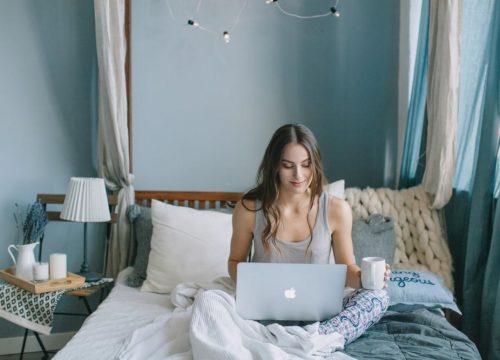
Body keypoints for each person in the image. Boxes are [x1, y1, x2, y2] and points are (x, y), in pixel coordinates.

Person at [228, 123, 390, 345]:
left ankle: (316, 339)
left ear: (316, 164)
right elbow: (235, 261)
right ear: (274, 165)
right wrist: (253, 287)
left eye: (306, 165)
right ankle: (304, 341)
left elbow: (347, 269)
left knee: (378, 297)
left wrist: (364, 278)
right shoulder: (248, 209)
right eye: (288, 166)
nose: (299, 175)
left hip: (320, 317)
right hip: (263, 310)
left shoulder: (336, 210)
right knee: (208, 301)